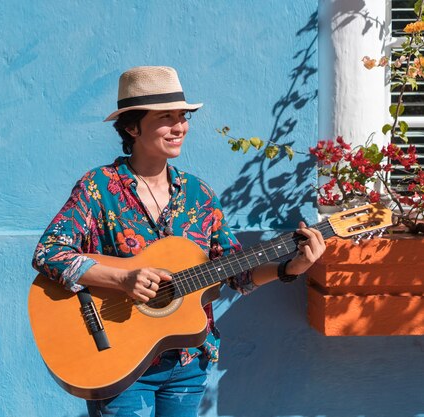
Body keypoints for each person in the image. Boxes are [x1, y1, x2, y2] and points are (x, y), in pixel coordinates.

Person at [32, 66, 326, 417]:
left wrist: (290, 268)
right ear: (131, 127)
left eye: (182, 117)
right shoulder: (98, 187)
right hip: (118, 360)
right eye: (165, 117)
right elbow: (49, 252)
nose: (179, 126)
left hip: (188, 362)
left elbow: (236, 273)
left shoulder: (199, 194)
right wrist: (123, 279)